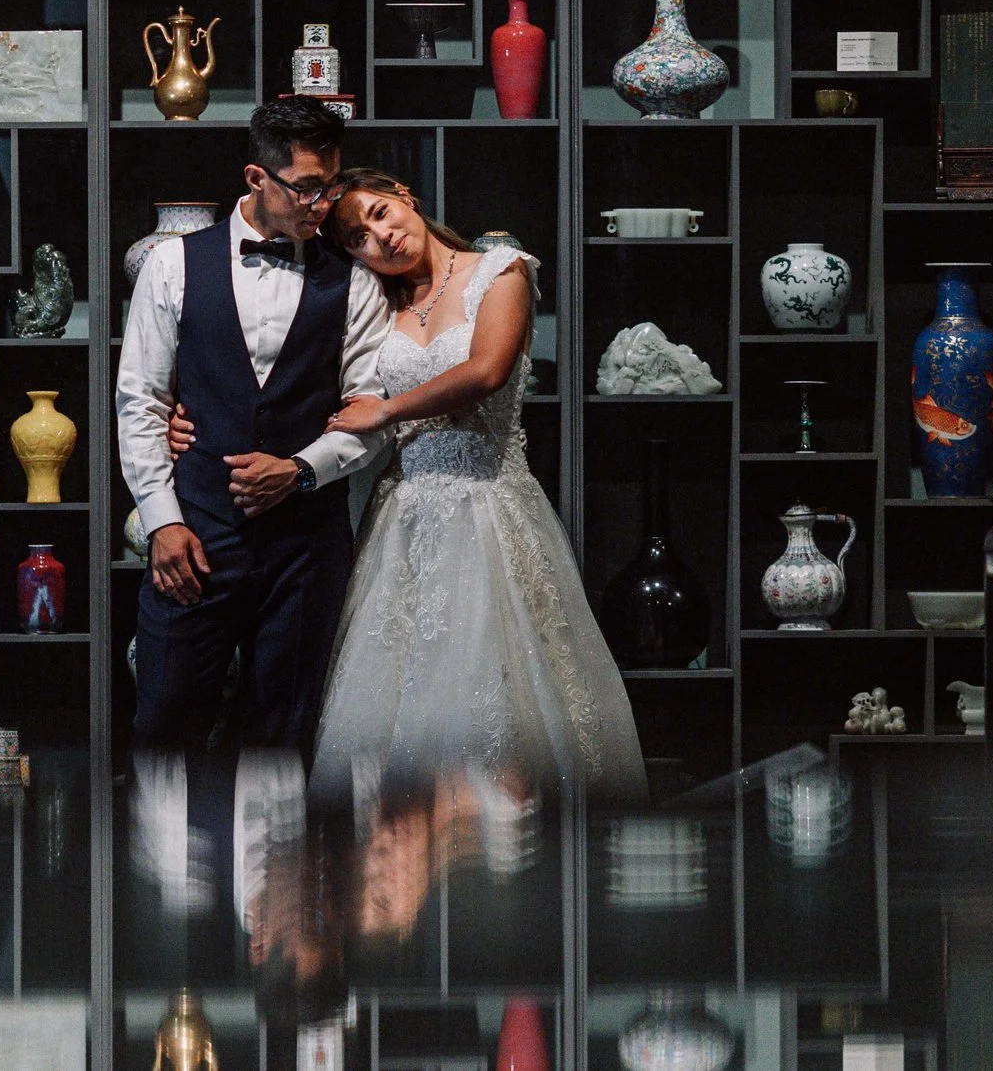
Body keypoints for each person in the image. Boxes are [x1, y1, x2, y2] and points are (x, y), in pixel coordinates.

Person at [171, 169, 646, 801]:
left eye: (379, 213)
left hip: (485, 506)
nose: (380, 237)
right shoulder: (377, 303)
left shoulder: (499, 272)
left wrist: (389, 410)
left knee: (493, 689)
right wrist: (196, 424)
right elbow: (310, 393)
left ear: (404, 197)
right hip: (399, 512)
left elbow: (486, 371)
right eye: (359, 238)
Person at [115, 98, 391, 757]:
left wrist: (298, 471)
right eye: (304, 187)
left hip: (307, 548)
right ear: (255, 178)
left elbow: (372, 412)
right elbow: (142, 402)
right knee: (164, 730)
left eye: (330, 185)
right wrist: (164, 521)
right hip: (196, 535)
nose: (320, 204)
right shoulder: (171, 265)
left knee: (284, 743)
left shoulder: (353, 282)